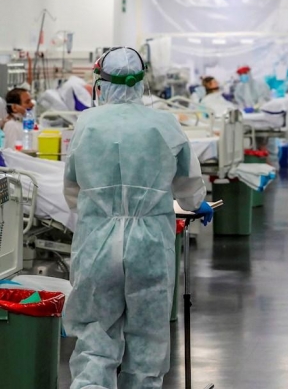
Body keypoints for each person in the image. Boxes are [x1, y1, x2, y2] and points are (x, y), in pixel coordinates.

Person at [62, 47, 213, 389]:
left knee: (94, 336)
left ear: (100, 82)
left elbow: (72, 190)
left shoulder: (87, 123)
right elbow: (188, 185)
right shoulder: (164, 123)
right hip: (150, 241)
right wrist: (195, 202)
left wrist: (100, 213)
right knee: (148, 337)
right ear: (141, 83)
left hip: (97, 238)